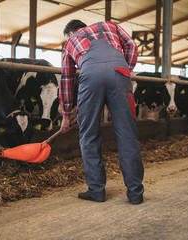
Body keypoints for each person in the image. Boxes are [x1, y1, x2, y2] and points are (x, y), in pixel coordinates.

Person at [59, 19, 144, 205]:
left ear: (72, 32)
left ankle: (96, 191)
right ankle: (135, 194)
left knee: (89, 135)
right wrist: (125, 69)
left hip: (90, 77)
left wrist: (66, 114)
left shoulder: (70, 42)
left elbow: (66, 78)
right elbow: (131, 45)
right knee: (128, 135)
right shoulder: (110, 26)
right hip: (119, 73)